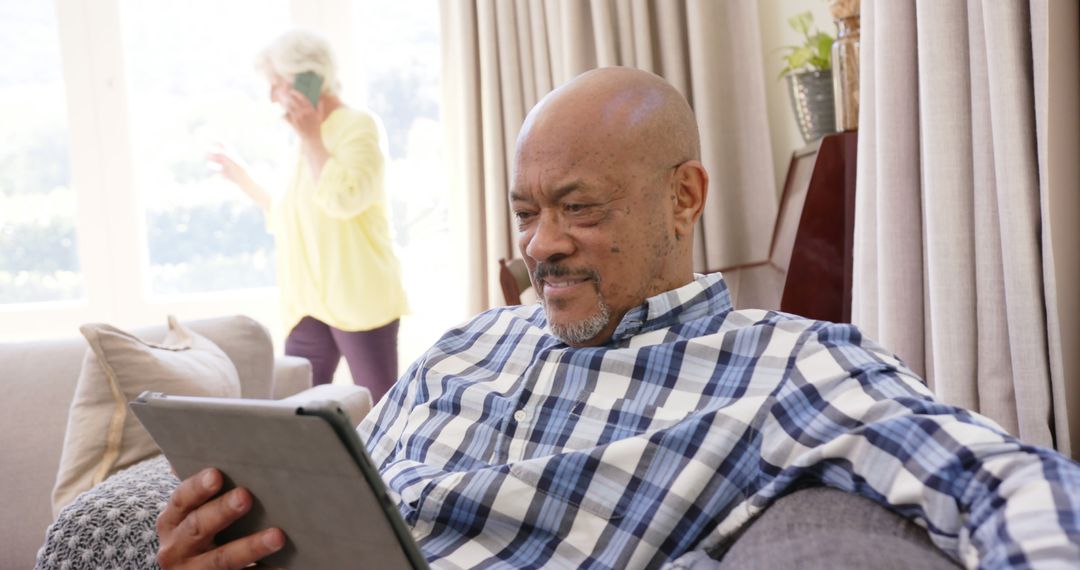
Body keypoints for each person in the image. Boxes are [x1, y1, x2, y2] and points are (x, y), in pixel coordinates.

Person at [158, 67, 1080, 569]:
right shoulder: (461, 350)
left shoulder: (780, 365)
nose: (543, 244)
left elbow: (1005, 483)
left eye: (580, 207)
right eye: (526, 212)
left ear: (685, 198)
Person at [208, 30, 407, 401]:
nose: (271, 96)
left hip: (359, 296)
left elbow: (344, 200)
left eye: (277, 83)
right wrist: (243, 177)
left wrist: (313, 138)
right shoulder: (302, 139)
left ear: (308, 77)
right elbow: (290, 216)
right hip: (307, 303)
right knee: (295, 410)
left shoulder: (358, 126)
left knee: (382, 410)